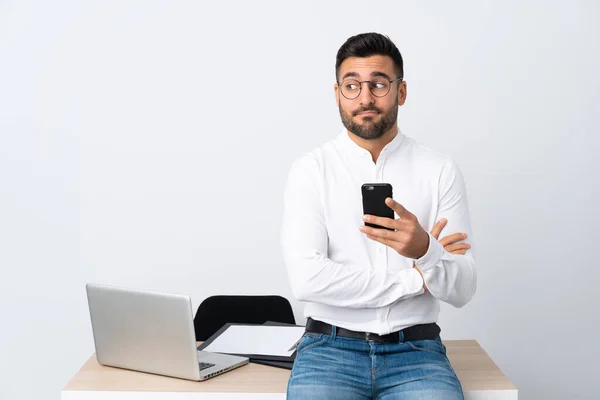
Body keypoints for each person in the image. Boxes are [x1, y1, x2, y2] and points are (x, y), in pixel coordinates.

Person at [281, 32, 477, 399]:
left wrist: (424, 249)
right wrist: (415, 279)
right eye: (352, 86)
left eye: (379, 84)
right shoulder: (311, 170)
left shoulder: (439, 170)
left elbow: (464, 288)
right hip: (328, 350)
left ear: (401, 92)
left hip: (417, 354)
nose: (365, 98)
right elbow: (308, 280)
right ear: (337, 93)